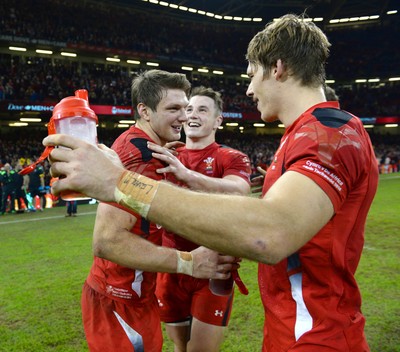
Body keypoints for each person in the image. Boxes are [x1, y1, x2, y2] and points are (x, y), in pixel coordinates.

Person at [45, 14, 379, 351]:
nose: (249, 89)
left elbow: (269, 233)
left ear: (277, 68)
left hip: (318, 337)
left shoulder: (330, 133)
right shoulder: (302, 134)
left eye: (252, 76)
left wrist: (120, 182)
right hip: (291, 329)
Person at [79, 70, 237, 352]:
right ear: (145, 111)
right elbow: (107, 241)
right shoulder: (140, 158)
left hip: (136, 295)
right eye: (173, 109)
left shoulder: (151, 149)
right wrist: (189, 262)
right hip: (119, 299)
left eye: (185, 108)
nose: (185, 117)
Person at [154, 86, 252, 352]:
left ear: (218, 121)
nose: (192, 115)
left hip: (212, 269)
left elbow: (240, 189)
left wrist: (187, 175)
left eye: (202, 109)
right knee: (179, 346)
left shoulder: (231, 157)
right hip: (172, 267)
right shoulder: (167, 155)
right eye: (188, 109)